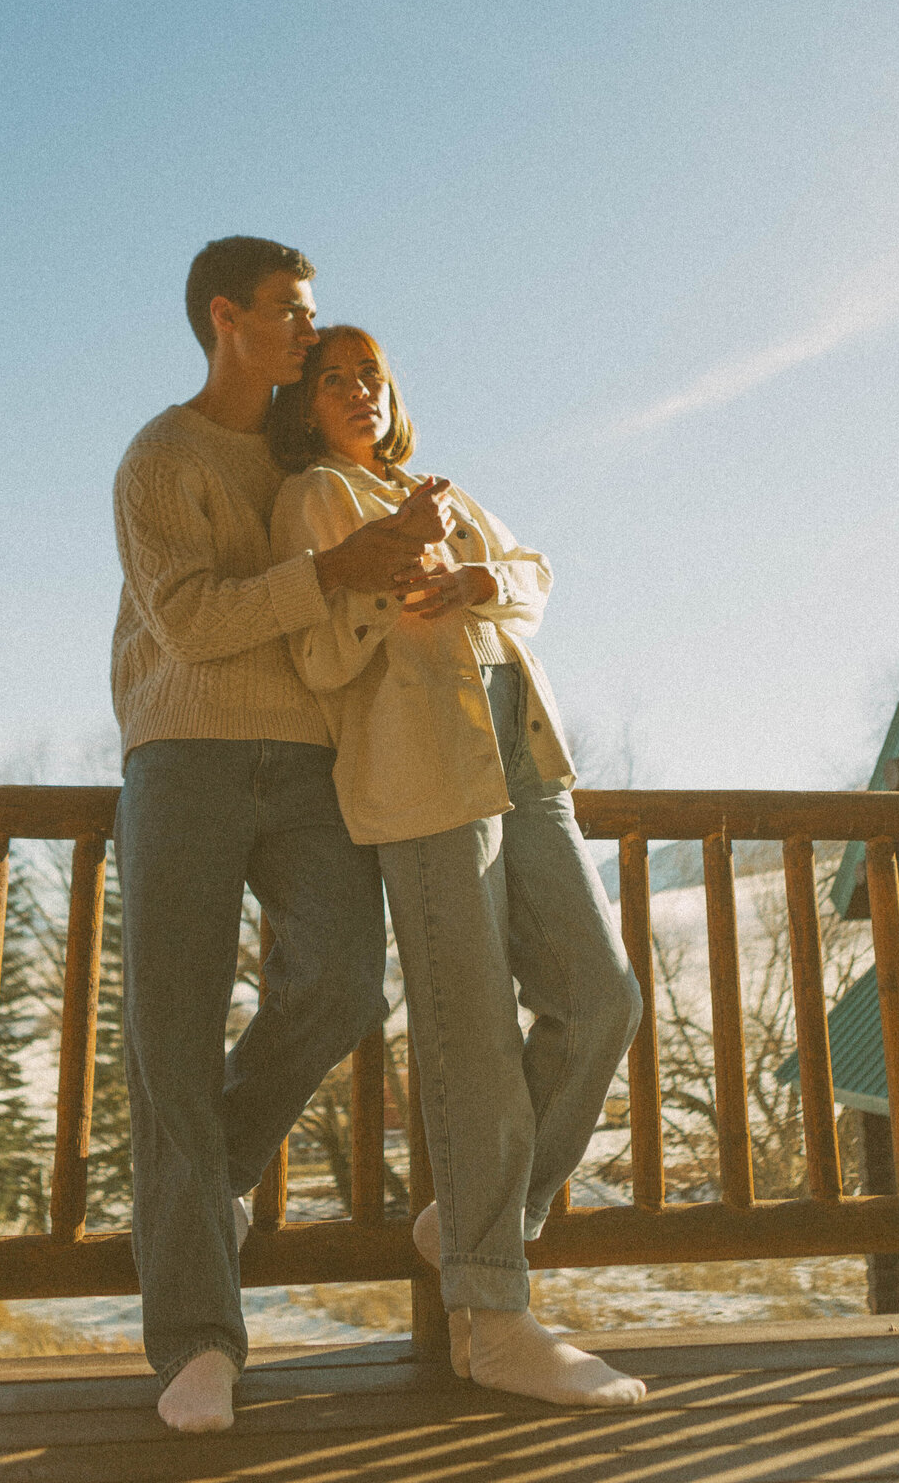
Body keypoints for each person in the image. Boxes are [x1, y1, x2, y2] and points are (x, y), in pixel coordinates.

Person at [268, 325, 647, 1410]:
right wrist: (392, 562)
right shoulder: (312, 501)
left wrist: (477, 568)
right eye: (334, 379)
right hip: (422, 778)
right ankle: (492, 1319)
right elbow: (317, 652)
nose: (359, 392)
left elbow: (533, 575)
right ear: (305, 406)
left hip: (523, 757)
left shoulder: (443, 489)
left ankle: (479, 1228)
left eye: (372, 376)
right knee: (470, 1034)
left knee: (601, 996)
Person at [111, 244, 452, 1435]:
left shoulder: (308, 454)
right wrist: (328, 573)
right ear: (225, 318)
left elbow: (359, 583)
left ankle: (207, 1181)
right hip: (184, 757)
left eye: (314, 315)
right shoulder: (160, 458)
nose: (311, 335)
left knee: (346, 983)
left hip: (310, 765)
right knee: (170, 1031)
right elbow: (195, 623)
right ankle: (199, 1343)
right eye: (291, 314)